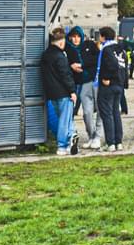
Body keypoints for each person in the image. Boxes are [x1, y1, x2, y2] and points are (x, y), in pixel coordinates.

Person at [40, 26, 78, 156]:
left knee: (64, 119)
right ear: (61, 42)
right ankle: (63, 145)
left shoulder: (45, 55)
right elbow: (65, 75)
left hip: (51, 93)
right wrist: (72, 91)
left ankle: (71, 137)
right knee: (65, 119)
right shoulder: (60, 56)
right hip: (63, 92)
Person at [67, 27, 102, 150]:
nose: (76, 39)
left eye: (78, 36)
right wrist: (71, 66)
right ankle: (91, 136)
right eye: (74, 36)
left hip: (96, 81)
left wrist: (83, 65)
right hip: (82, 84)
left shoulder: (89, 45)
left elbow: (97, 59)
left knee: (100, 109)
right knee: (87, 113)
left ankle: (97, 137)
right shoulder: (68, 49)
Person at [94, 26, 126, 151]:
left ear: (103, 36)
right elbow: (124, 66)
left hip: (108, 85)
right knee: (115, 113)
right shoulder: (121, 49)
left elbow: (111, 64)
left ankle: (110, 143)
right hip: (119, 85)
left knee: (106, 113)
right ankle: (119, 142)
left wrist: (106, 77)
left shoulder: (106, 49)